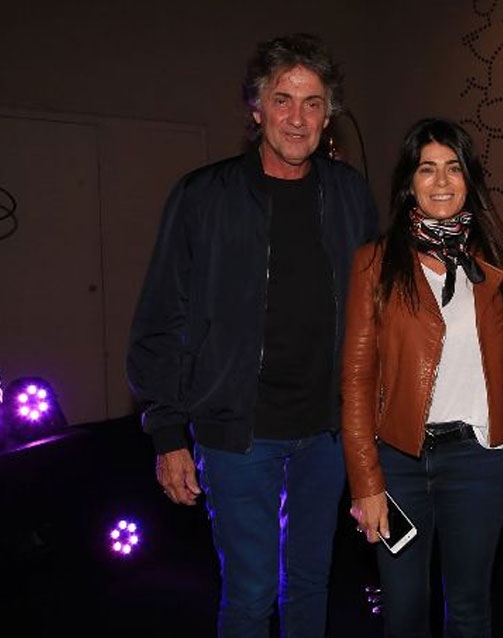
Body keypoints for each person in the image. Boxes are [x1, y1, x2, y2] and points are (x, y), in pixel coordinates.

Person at [126, 33, 379, 637]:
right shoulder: (202, 196)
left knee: (311, 583)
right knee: (251, 592)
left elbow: (377, 310)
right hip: (237, 431)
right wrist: (168, 433)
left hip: (326, 431)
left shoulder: (349, 194)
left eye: (313, 103)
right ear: (257, 109)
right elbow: (160, 316)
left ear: (328, 116)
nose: (297, 118)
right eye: (282, 99)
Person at [340, 117, 503, 638]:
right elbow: (356, 380)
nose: (441, 181)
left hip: (479, 461)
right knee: (403, 611)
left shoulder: (497, 263)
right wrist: (366, 482)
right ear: (409, 181)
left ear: (469, 179)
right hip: (399, 463)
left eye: (453, 168)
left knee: (469, 609)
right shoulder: (374, 263)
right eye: (427, 169)